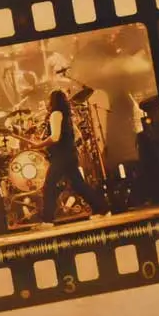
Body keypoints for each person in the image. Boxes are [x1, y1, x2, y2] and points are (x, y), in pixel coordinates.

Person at [33, 89, 109, 226]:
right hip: (70, 154)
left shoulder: (55, 114)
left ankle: (47, 220)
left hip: (61, 157)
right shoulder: (66, 116)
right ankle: (102, 209)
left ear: (52, 101)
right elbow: (78, 135)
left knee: (49, 186)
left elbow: (55, 137)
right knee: (78, 184)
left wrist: (39, 145)